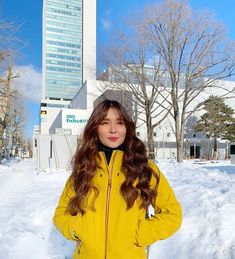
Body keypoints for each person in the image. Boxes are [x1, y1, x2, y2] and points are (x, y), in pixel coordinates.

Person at [53, 99, 182, 259]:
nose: (113, 129)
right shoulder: (84, 169)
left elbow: (172, 214)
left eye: (119, 123)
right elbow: (61, 214)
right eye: (105, 122)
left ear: (127, 127)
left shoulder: (144, 168)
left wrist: (139, 233)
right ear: (95, 128)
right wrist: (76, 229)